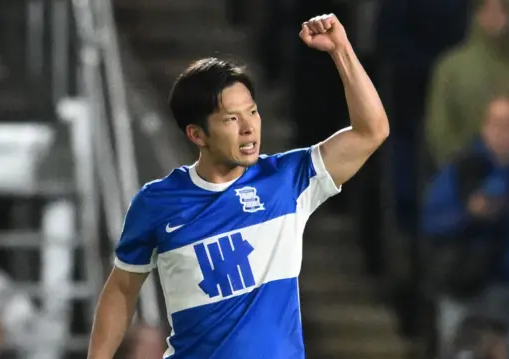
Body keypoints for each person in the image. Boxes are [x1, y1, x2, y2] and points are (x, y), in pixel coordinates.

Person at [87, 13, 389, 359]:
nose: (249, 128)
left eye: (253, 112)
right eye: (232, 118)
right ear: (197, 134)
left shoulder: (286, 180)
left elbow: (371, 131)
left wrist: (342, 50)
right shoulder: (157, 202)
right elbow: (123, 289)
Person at [421, 96, 509, 352]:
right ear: (484, 128)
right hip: (466, 286)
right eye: (496, 124)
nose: (502, 132)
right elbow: (432, 224)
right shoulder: (462, 168)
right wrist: (469, 214)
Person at [425, 0, 509, 167]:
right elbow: (439, 132)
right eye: (485, 8)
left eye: (503, 9)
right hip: (464, 176)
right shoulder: (451, 68)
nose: (493, 16)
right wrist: (467, 169)